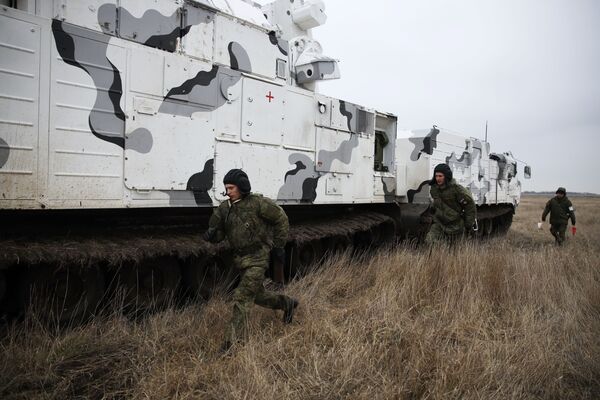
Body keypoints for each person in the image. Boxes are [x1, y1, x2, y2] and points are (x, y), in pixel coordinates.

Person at [203, 169, 298, 352]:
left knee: (242, 297)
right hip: (240, 259)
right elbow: (220, 233)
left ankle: (232, 344)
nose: (228, 191)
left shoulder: (257, 203)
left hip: (257, 257)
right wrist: (211, 236)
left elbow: (281, 219)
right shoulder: (224, 209)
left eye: (231, 187)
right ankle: (288, 304)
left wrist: (279, 246)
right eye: (226, 188)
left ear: (242, 187)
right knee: (258, 296)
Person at [426, 163, 477, 244]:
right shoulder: (434, 189)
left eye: (440, 176)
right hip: (439, 224)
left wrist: (468, 225)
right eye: (436, 176)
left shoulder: (457, 190)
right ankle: (441, 252)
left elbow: (470, 206)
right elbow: (436, 202)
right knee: (430, 241)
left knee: (456, 250)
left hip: (456, 226)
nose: (437, 178)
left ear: (446, 176)